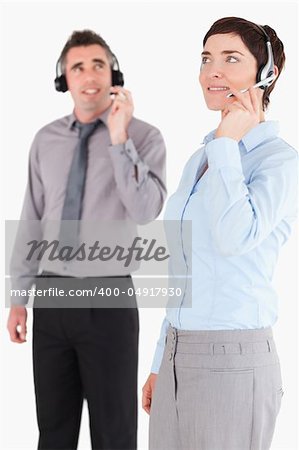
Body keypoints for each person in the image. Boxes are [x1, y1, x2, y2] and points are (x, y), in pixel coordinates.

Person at [142, 16, 297, 450]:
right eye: (207, 58)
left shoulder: (279, 163)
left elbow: (235, 238)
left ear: (268, 73)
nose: (213, 70)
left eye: (231, 58)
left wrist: (228, 143)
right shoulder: (203, 158)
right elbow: (182, 269)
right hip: (178, 354)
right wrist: (161, 359)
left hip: (233, 362)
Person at [7, 29, 166, 450]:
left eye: (99, 64)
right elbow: (32, 218)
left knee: (114, 434)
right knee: (54, 431)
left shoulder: (144, 137)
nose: (89, 75)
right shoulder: (45, 140)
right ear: (65, 79)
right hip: (51, 297)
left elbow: (147, 210)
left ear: (113, 72)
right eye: (78, 67)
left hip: (109, 297)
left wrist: (119, 138)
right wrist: (18, 297)